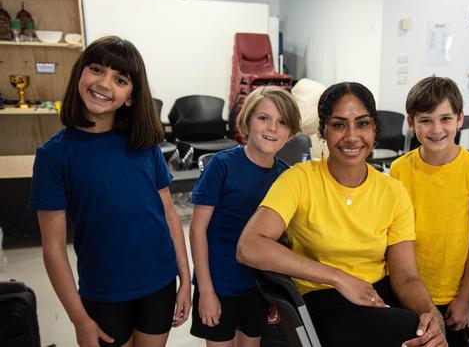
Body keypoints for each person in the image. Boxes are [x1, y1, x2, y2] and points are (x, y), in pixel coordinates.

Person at [237, 82, 447, 347]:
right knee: (406, 330)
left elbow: (405, 277)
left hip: (376, 296)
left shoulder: (394, 192)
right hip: (322, 299)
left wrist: (429, 312)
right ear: (323, 131)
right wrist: (339, 278)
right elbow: (249, 246)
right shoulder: (299, 180)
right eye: (338, 125)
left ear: (374, 129)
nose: (351, 136)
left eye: (362, 124)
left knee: (425, 333)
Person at [28, 36, 191, 347]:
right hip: (104, 292)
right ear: (80, 73)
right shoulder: (54, 156)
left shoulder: (144, 145)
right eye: (97, 69)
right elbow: (53, 249)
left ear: (130, 96)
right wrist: (80, 319)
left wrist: (185, 279)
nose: (104, 84)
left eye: (120, 79)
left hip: (159, 284)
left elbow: (169, 215)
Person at [389, 77, 469, 347]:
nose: (436, 129)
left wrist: (465, 298)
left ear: (460, 119)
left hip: (451, 295)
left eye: (446, 119)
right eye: (426, 120)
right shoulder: (399, 170)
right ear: (411, 122)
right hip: (405, 292)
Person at [188, 86, 301, 347]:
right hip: (218, 284)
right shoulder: (221, 165)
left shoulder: (287, 178)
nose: (272, 128)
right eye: (264, 118)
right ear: (247, 120)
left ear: (291, 132)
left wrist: (276, 294)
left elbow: (280, 241)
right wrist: (205, 291)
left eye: (282, 122)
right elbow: (197, 230)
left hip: (257, 287)